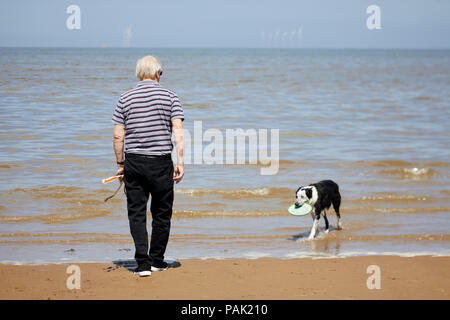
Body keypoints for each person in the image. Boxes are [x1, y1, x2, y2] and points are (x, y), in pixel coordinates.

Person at [112, 56, 185, 277]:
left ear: (139, 74)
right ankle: (157, 260)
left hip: (134, 161)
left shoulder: (125, 98)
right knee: (162, 213)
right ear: (156, 73)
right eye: (161, 74)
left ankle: (142, 264)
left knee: (136, 214)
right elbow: (178, 133)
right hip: (161, 162)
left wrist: (120, 165)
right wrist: (180, 162)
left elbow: (117, 137)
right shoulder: (170, 96)